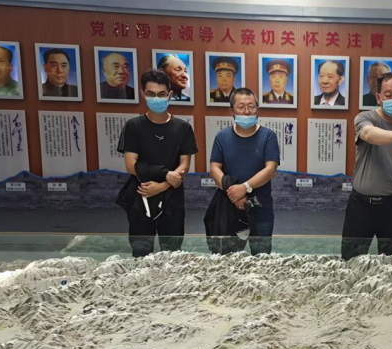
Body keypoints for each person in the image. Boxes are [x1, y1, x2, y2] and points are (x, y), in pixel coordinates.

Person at [341, 72, 392, 260]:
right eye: (388, 95)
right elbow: (369, 134)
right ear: (378, 97)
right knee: (351, 259)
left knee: (391, 261)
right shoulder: (365, 118)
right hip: (361, 206)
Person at [116, 69, 197, 257]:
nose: (156, 99)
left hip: (172, 199)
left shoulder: (183, 127)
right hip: (141, 195)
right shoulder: (134, 126)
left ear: (170, 94)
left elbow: (184, 165)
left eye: (161, 94)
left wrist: (162, 186)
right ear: (143, 94)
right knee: (141, 253)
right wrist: (165, 174)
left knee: (172, 254)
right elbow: (131, 165)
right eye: (151, 94)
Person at [210, 88, 280, 255]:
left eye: (251, 106)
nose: (247, 111)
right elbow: (214, 168)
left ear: (258, 109)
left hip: (261, 208)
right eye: (241, 107)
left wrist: (244, 187)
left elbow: (270, 169)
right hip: (229, 208)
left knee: (262, 258)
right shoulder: (222, 137)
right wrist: (234, 194)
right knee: (228, 258)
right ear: (231, 111)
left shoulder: (268, 136)